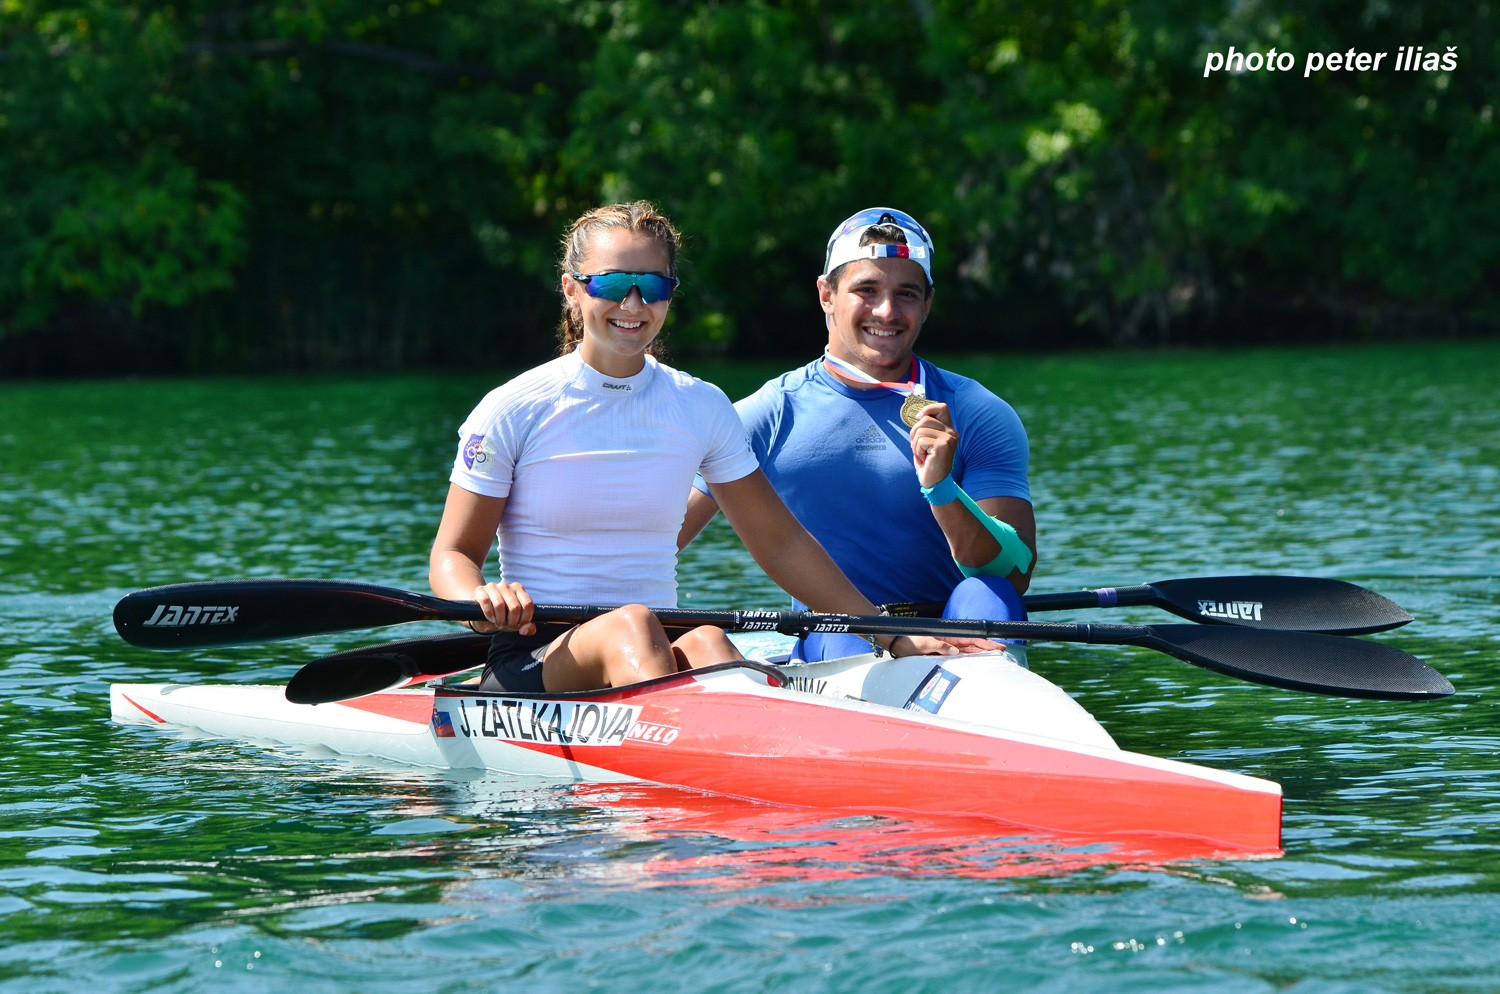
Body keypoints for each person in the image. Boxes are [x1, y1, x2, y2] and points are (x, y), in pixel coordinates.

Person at [429, 201, 960, 694]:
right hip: (536, 656)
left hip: (654, 646)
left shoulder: (700, 406)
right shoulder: (513, 408)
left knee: (706, 640)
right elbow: (453, 555)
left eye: (652, 286)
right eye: (614, 283)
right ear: (572, 289)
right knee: (634, 623)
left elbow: (782, 545)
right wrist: (480, 602)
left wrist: (887, 634)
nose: (633, 303)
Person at [679, 207, 1036, 662]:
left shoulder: (977, 412)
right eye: (866, 290)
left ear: (927, 304)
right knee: (847, 626)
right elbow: (659, 538)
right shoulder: (762, 416)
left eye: (906, 294)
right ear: (826, 294)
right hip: (841, 633)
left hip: (954, 629)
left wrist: (941, 489)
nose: (887, 311)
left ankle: (990, 707)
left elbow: (1016, 572)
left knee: (990, 594)